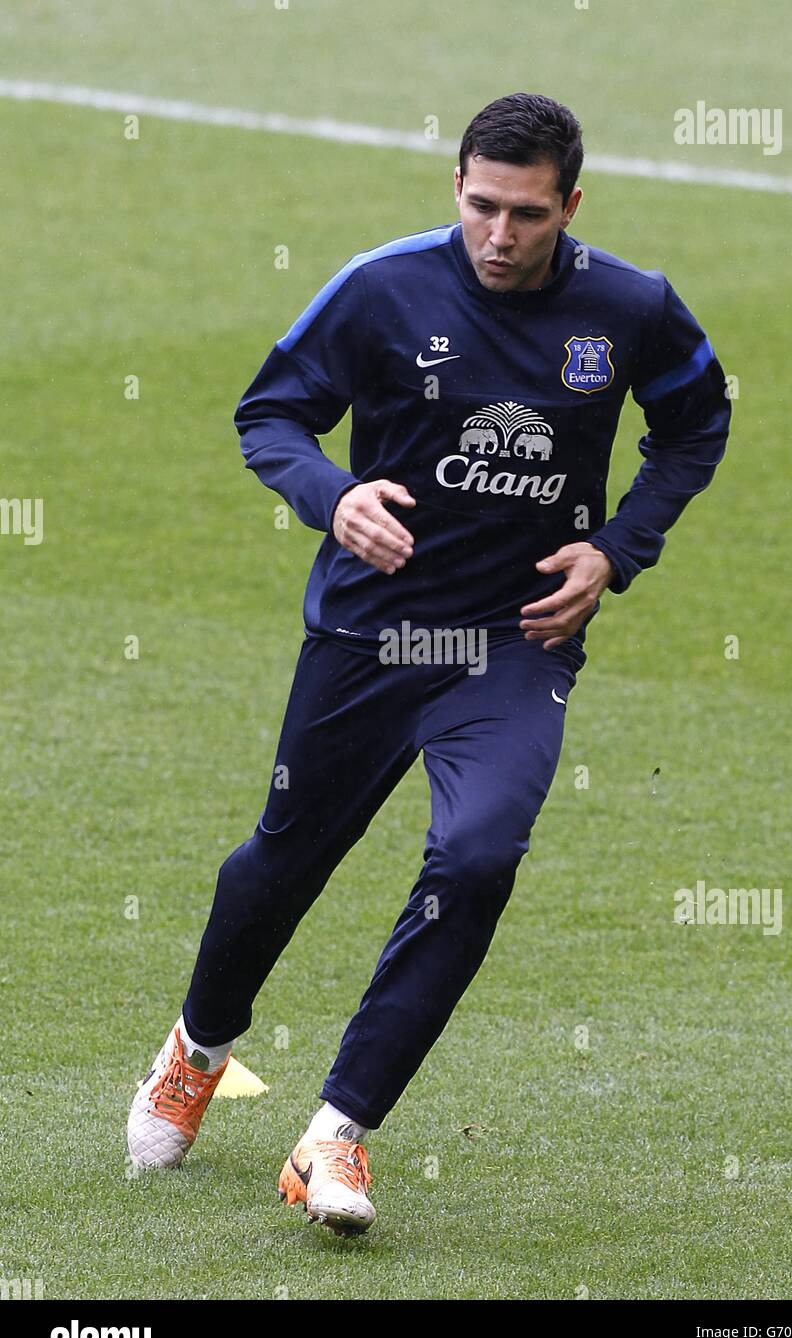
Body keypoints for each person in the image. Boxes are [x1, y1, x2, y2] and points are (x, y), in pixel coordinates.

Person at [127, 92, 731, 1234]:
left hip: (513, 643)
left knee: (479, 852)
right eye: (480, 207)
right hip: (371, 635)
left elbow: (694, 424)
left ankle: (335, 1136)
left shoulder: (630, 306)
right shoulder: (380, 286)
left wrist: (614, 549)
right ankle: (197, 1048)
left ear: (570, 205)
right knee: (282, 863)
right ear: (454, 185)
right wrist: (335, 495)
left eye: (527, 215)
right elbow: (270, 416)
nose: (498, 236)